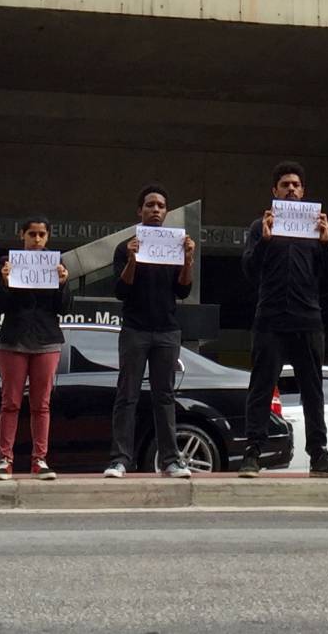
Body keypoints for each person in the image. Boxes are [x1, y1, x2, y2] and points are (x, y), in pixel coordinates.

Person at [239, 161, 328, 478]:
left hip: (308, 320)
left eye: (296, 185)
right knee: (260, 387)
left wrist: (326, 244)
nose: (291, 189)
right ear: (274, 191)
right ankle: (253, 452)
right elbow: (249, 271)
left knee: (313, 390)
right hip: (270, 318)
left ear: (304, 191)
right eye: (285, 185)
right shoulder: (261, 227)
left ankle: (319, 454)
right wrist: (266, 241)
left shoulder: (315, 228)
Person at [106, 184, 197, 477]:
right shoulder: (126, 246)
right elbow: (121, 291)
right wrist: (132, 260)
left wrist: (188, 260)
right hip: (135, 329)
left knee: (165, 396)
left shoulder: (174, 246)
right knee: (127, 395)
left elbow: (183, 289)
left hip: (167, 331)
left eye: (160, 205)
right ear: (139, 211)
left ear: (166, 212)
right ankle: (120, 459)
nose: (155, 210)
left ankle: (171, 460)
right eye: (150, 205)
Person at [0, 216, 69, 480]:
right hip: (13, 339)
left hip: (46, 340)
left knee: (41, 404)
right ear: (21, 235)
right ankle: (5, 459)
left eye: (41, 235)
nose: (36, 240)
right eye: (32, 234)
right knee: (10, 402)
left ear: (47, 237)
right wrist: (4, 281)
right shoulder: (7, 263)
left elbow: (64, 309)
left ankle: (40, 460)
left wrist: (63, 284)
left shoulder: (57, 263)